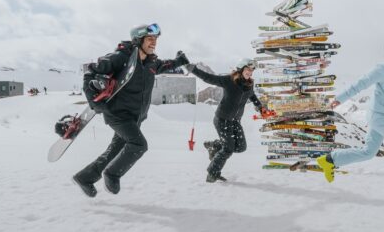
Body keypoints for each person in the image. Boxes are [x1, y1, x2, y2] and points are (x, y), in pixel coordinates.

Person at [71, 23, 189, 197]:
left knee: (115, 150)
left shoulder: (151, 62)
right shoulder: (120, 57)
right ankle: (112, 174)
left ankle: (85, 177)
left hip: (135, 117)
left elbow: (163, 66)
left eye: (155, 39)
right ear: (138, 40)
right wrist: (92, 101)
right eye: (150, 39)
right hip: (117, 114)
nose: (154, 42)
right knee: (139, 145)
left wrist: (179, 61)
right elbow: (90, 73)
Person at [316, 33, 384, 203]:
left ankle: (330, 159)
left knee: (368, 152)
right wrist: (340, 98)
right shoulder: (382, 69)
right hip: (380, 116)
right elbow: (360, 83)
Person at [188, 58, 270, 182]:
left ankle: (214, 145)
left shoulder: (249, 83)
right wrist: (193, 69)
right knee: (228, 149)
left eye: (252, 70)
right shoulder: (229, 80)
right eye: (248, 69)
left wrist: (260, 107)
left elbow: (252, 95)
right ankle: (212, 173)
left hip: (235, 121)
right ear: (241, 69)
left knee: (241, 147)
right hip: (222, 119)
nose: (250, 72)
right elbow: (209, 78)